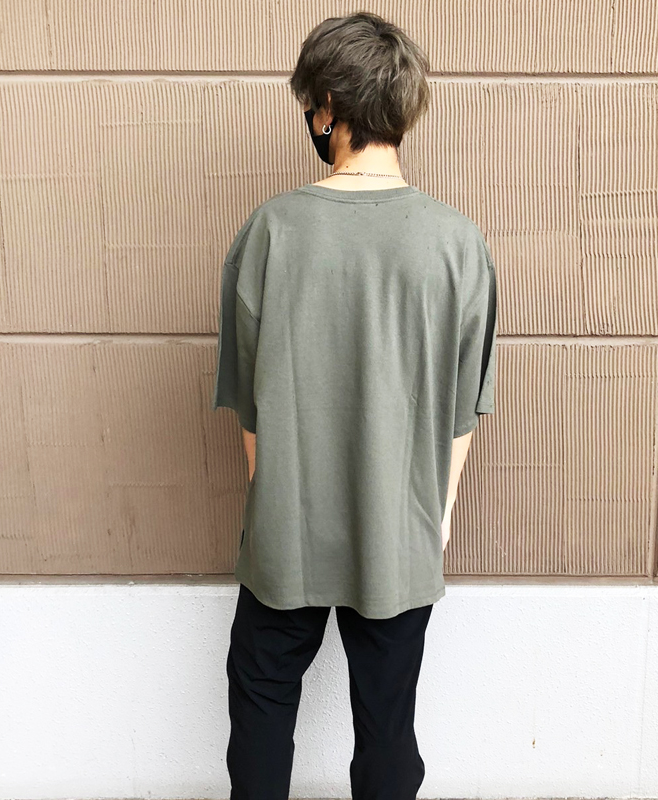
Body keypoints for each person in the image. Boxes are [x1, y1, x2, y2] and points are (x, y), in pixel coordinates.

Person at [212, 11, 498, 799]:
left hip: (288, 525)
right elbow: (463, 407)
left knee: (261, 702)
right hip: (400, 528)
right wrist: (436, 514)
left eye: (313, 101)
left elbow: (252, 407)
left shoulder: (271, 232)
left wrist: (275, 502)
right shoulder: (457, 242)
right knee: (388, 724)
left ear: (329, 105)